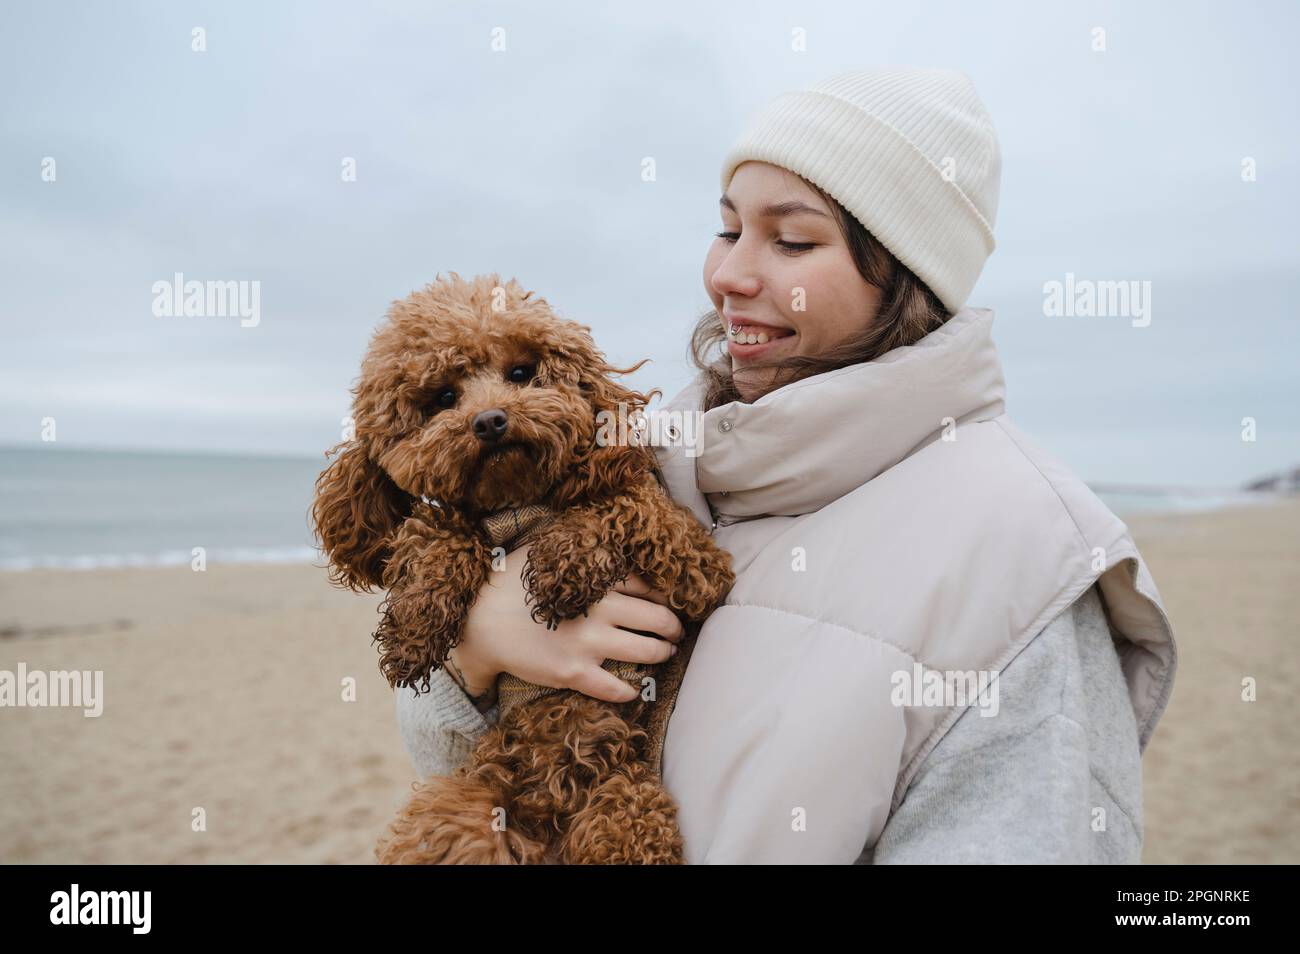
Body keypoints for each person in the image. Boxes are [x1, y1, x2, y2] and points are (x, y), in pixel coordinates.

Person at [395, 68, 1178, 863]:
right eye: (728, 229)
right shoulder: (638, 456)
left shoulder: (1029, 557)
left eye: (793, 240)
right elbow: (464, 780)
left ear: (907, 277)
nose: (728, 276)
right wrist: (474, 653)